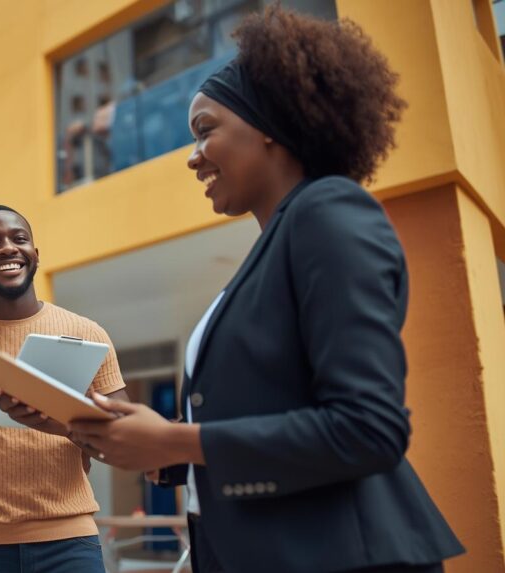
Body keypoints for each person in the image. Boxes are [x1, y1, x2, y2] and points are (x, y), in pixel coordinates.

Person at [69, 7, 464, 573]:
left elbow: (368, 428)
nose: (192, 156)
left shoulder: (329, 212)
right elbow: (269, 414)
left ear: (271, 125)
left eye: (206, 130)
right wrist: (147, 442)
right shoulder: (270, 250)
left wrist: (181, 443)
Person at [0, 205, 128, 573]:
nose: (7, 248)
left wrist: (64, 423)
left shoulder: (87, 333)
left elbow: (126, 444)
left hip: (69, 543)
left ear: (35, 254)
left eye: (19, 239)